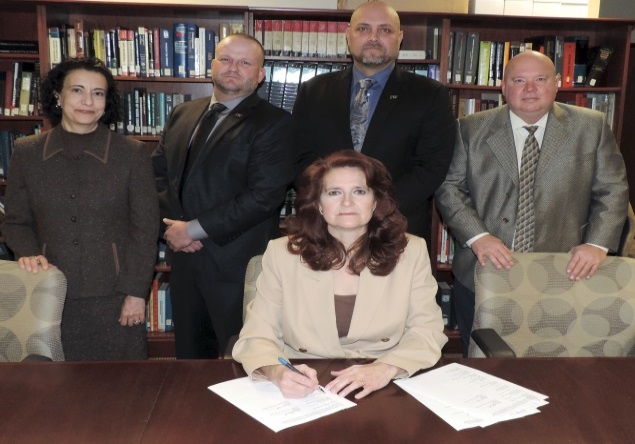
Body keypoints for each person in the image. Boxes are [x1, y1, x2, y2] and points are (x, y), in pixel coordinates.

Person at [434, 50, 629, 354]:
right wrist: (478, 236)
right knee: (484, 363)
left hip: (562, 271)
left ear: (555, 84)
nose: (530, 89)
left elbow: (612, 189)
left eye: (540, 79)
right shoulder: (470, 128)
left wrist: (597, 243)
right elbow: (449, 188)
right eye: (519, 80)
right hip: (482, 273)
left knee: (553, 365)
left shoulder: (591, 126)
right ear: (503, 87)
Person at [233, 150, 447, 399]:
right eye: (334, 192)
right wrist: (277, 372)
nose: (347, 202)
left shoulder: (412, 251)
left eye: (359, 191)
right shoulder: (283, 254)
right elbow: (258, 333)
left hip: (384, 377)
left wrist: (386, 368)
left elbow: (426, 330)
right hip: (307, 380)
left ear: (375, 201)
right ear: (319, 205)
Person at [2, 57, 159, 361]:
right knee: (53, 392)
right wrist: (29, 253)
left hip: (114, 297)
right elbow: (15, 222)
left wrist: (136, 293)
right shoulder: (26, 152)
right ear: (58, 96)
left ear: (106, 102)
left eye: (98, 93)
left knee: (121, 390)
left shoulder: (132, 154)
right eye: (77, 90)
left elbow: (145, 230)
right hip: (48, 293)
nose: (88, 101)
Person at [152, 34, 295, 359]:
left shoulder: (276, 124)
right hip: (185, 262)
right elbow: (158, 175)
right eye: (226, 59)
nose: (234, 68)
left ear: (260, 75)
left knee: (243, 361)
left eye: (245, 63)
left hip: (238, 268)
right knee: (190, 361)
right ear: (212, 65)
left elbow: (263, 196)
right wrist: (172, 231)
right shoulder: (182, 113)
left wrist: (193, 229)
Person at [293, 1, 455, 245]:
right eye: (363, 29)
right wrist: (332, 203)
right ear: (348, 36)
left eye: (385, 30)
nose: (374, 37)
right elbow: (300, 158)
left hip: (397, 227)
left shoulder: (431, 94)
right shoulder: (313, 91)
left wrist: (377, 207)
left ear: (399, 38)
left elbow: (431, 167)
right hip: (325, 228)